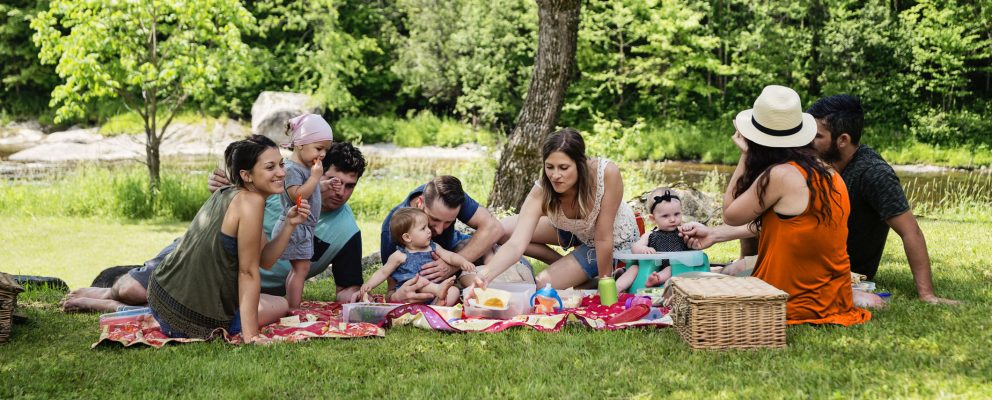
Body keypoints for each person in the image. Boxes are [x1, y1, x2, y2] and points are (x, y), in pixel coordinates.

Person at [61, 142, 369, 312]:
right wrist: (223, 185)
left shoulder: (347, 231)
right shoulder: (279, 186)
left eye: (349, 186)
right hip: (207, 261)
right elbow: (237, 191)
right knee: (130, 289)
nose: (339, 191)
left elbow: (346, 290)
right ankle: (107, 295)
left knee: (193, 312)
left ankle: (103, 302)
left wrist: (357, 298)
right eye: (333, 181)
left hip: (243, 291)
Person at [691, 85, 871, 326]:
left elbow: (731, 214)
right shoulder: (829, 172)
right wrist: (715, 234)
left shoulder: (780, 175)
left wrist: (745, 156)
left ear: (757, 139)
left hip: (789, 301)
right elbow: (791, 229)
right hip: (833, 299)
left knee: (683, 284)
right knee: (721, 274)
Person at [147, 135, 306, 343]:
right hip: (186, 318)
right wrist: (252, 336)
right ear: (246, 175)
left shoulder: (227, 192)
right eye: (270, 167)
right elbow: (248, 272)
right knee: (281, 305)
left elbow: (265, 260)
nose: (281, 173)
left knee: (273, 301)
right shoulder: (251, 202)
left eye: (281, 164)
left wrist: (289, 225)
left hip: (160, 297)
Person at [807, 94, 958, 305]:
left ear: (843, 140)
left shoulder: (873, 173)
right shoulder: (819, 159)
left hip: (843, 271)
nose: (808, 141)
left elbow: (910, 231)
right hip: (811, 256)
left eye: (816, 136)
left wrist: (927, 295)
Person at [473, 128, 640, 290]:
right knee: (499, 230)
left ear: (579, 164)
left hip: (609, 239)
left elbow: (603, 238)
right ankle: (570, 267)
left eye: (563, 167)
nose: (555, 175)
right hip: (574, 230)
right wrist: (484, 277)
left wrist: (606, 286)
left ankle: (582, 274)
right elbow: (516, 244)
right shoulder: (541, 192)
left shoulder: (606, 173)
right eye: (549, 167)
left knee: (540, 285)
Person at [380, 175, 532, 302]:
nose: (439, 230)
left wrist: (452, 265)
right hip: (445, 275)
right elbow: (390, 291)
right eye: (434, 220)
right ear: (420, 203)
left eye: (448, 222)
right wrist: (398, 296)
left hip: (459, 252)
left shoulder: (448, 195)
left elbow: (494, 228)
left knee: (512, 261)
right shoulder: (393, 229)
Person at [357, 208, 474, 305]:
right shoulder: (400, 256)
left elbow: (450, 256)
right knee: (419, 281)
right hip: (412, 294)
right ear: (407, 237)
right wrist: (369, 285)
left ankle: (435, 309)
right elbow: (383, 272)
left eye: (427, 226)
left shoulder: (433, 246)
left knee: (454, 291)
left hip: (434, 294)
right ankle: (436, 298)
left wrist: (462, 262)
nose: (429, 231)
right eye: (423, 228)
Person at [277, 114, 334, 309]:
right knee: (300, 268)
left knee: (301, 268)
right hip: (294, 227)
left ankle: (292, 305)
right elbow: (297, 195)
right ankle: (292, 307)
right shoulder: (292, 169)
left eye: (326, 149)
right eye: (319, 148)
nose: (323, 154)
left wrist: (324, 184)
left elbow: (312, 192)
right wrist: (316, 178)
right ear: (301, 143)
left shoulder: (307, 168)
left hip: (303, 227)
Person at [615, 187, 691, 291]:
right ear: (653, 218)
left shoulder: (682, 232)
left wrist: (689, 229)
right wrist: (643, 249)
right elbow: (635, 247)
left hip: (674, 268)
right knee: (634, 268)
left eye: (677, 214)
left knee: (671, 268)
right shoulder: (651, 235)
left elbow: (695, 241)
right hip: (650, 267)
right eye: (665, 216)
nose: (673, 219)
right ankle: (616, 288)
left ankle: (656, 279)